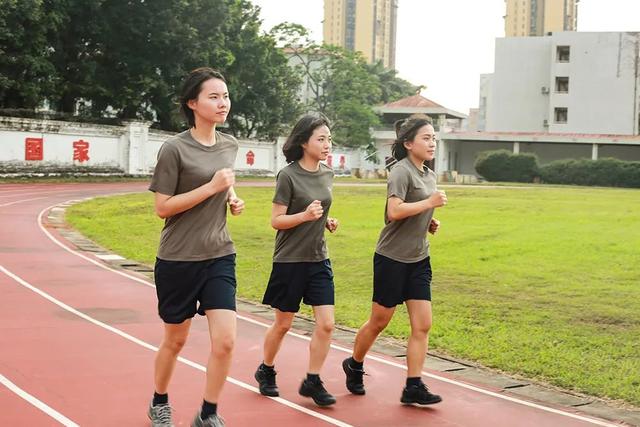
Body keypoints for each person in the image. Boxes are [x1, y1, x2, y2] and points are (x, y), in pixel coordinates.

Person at [147, 67, 244, 427]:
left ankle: (208, 413)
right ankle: (159, 400)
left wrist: (232, 197)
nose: (223, 103)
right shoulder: (174, 149)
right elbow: (162, 208)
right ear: (193, 103)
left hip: (219, 254)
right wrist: (212, 187)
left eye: (226, 96)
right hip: (178, 259)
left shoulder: (229, 145)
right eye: (214, 96)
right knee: (175, 341)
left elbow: (224, 182)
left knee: (226, 342)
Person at [342, 114, 447, 406]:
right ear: (408, 143)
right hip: (391, 259)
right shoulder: (401, 171)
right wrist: (429, 204)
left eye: (434, 138)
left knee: (422, 324)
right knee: (379, 321)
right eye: (426, 138)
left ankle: (413, 385)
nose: (432, 143)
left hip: (418, 258)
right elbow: (395, 211)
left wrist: (429, 221)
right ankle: (354, 363)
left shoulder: (429, 174)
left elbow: (415, 211)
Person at [254, 113, 339, 407]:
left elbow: (320, 208)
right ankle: (265, 369)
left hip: (318, 258)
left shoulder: (328, 174)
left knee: (327, 324)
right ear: (304, 142)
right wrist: (304, 216)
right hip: (290, 260)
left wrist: (326, 221)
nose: (327, 144)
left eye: (329, 138)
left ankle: (312, 380)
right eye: (321, 139)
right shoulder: (288, 175)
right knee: (283, 324)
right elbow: (276, 221)